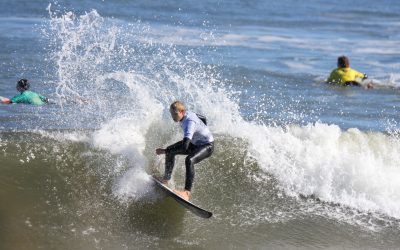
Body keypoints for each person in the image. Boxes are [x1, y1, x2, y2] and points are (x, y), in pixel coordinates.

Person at [155, 101, 214, 201]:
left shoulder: (189, 123)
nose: (173, 116)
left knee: (189, 160)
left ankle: (186, 192)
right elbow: (203, 117)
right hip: (196, 143)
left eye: (175, 114)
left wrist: (164, 151)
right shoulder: (187, 113)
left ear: (182, 112)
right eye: (171, 113)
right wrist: (203, 129)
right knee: (170, 150)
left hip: (207, 146)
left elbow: (185, 147)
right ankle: (165, 180)